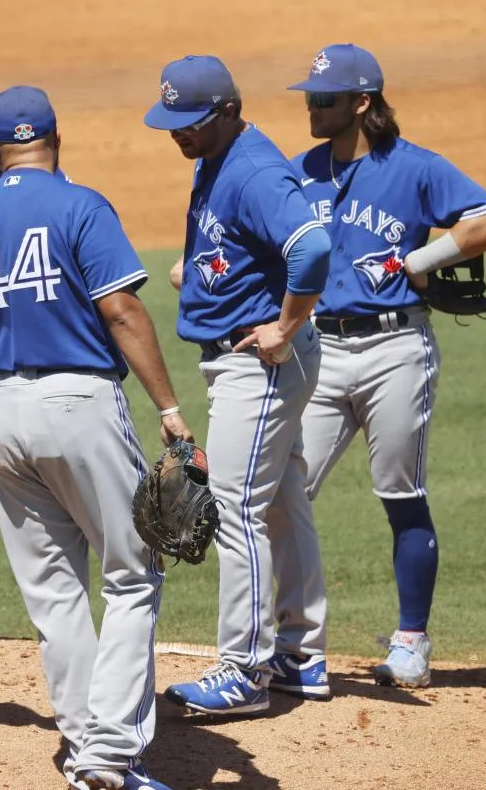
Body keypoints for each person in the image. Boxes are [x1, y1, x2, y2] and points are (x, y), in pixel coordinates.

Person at [0, 85, 190, 790]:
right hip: (79, 400)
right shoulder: (81, 205)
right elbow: (120, 308)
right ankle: (110, 751)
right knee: (133, 572)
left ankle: (85, 745)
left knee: (52, 589)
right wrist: (168, 406)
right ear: (58, 139)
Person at [286, 44, 486, 688]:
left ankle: (411, 640)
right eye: (307, 95)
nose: (311, 106)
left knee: (401, 495)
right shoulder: (299, 173)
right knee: (282, 492)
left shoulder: (413, 168)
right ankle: (288, 637)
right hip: (319, 352)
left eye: (323, 98)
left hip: (395, 352)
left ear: (362, 103)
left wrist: (419, 262)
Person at [147, 56, 333, 714]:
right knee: (282, 503)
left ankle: (245, 672)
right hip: (251, 361)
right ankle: (301, 657)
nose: (179, 135)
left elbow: (311, 248)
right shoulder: (216, 158)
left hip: (260, 364)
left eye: (191, 123)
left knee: (237, 511)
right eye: (172, 124)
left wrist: (285, 324)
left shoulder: (252, 168)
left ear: (229, 111)